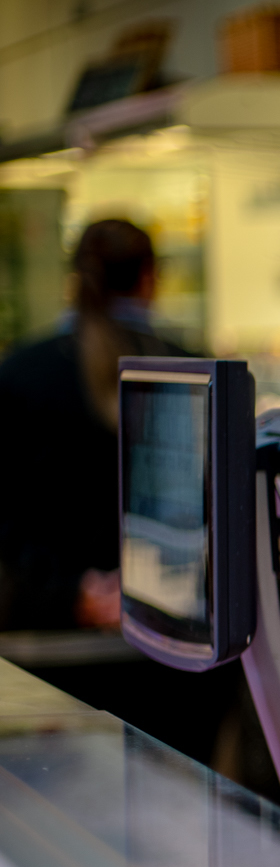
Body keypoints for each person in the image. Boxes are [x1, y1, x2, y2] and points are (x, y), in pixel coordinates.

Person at [0, 217, 186, 630]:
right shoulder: (192, 373)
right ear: (149, 278)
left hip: (49, 628)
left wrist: (75, 591)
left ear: (76, 278)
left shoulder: (20, 372)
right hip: (170, 625)